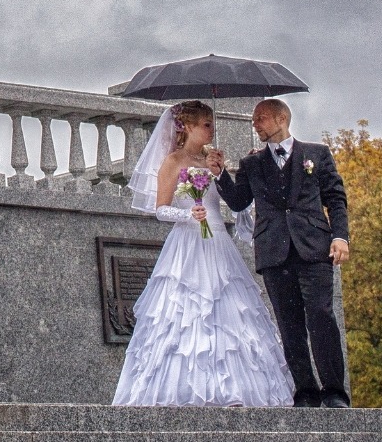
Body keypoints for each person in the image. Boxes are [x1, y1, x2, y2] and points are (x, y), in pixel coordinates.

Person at [111, 100, 296, 407]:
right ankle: (182, 388)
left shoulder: (212, 159)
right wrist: (187, 215)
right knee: (187, 313)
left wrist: (221, 172)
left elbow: (234, 200)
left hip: (218, 242)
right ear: (189, 127)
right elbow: (160, 209)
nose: (212, 128)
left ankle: (237, 388)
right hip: (189, 241)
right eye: (207, 124)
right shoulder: (173, 161)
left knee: (232, 309)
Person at [215, 98, 352, 407]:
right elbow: (238, 202)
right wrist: (221, 173)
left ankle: (333, 392)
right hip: (274, 252)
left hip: (314, 249)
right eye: (254, 119)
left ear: (280, 119)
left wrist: (340, 237)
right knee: (289, 325)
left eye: (260, 118)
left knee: (321, 317)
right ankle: (305, 391)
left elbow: (335, 198)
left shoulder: (316, 155)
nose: (255, 124)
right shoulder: (252, 164)